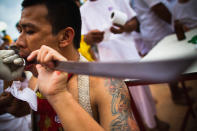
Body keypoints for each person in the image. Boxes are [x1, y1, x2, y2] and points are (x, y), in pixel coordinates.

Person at [13, 0, 139, 130]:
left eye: (29, 31)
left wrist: (59, 95)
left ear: (65, 37)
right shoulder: (36, 79)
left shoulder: (106, 85)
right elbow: (17, 110)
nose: (18, 42)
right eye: (20, 31)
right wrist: (11, 79)